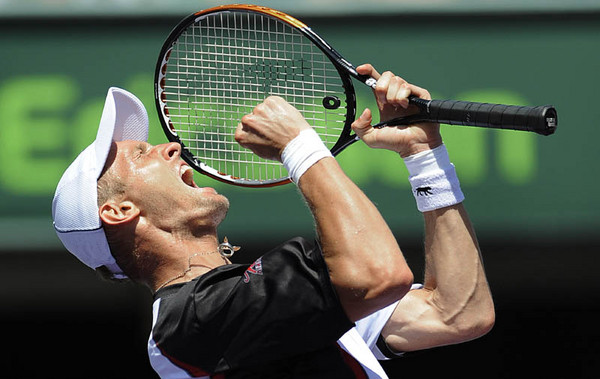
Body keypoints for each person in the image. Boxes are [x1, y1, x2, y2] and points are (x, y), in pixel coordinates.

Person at [52, 64, 494, 378]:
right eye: (141, 154)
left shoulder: (254, 303)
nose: (170, 147)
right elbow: (380, 275)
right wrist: (299, 145)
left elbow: (457, 314)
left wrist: (424, 156)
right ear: (119, 211)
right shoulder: (186, 323)